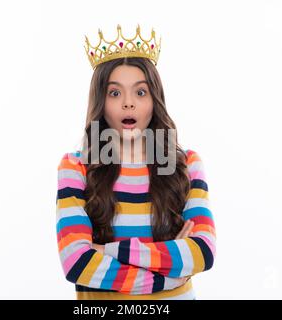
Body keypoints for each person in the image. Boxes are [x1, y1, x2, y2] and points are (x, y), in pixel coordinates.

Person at [55, 24, 216, 300]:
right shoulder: (75, 167)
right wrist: (170, 275)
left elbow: (202, 251)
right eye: (114, 93)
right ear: (100, 102)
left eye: (140, 92)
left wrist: (107, 251)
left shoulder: (186, 164)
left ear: (155, 100)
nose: (128, 103)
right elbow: (76, 262)